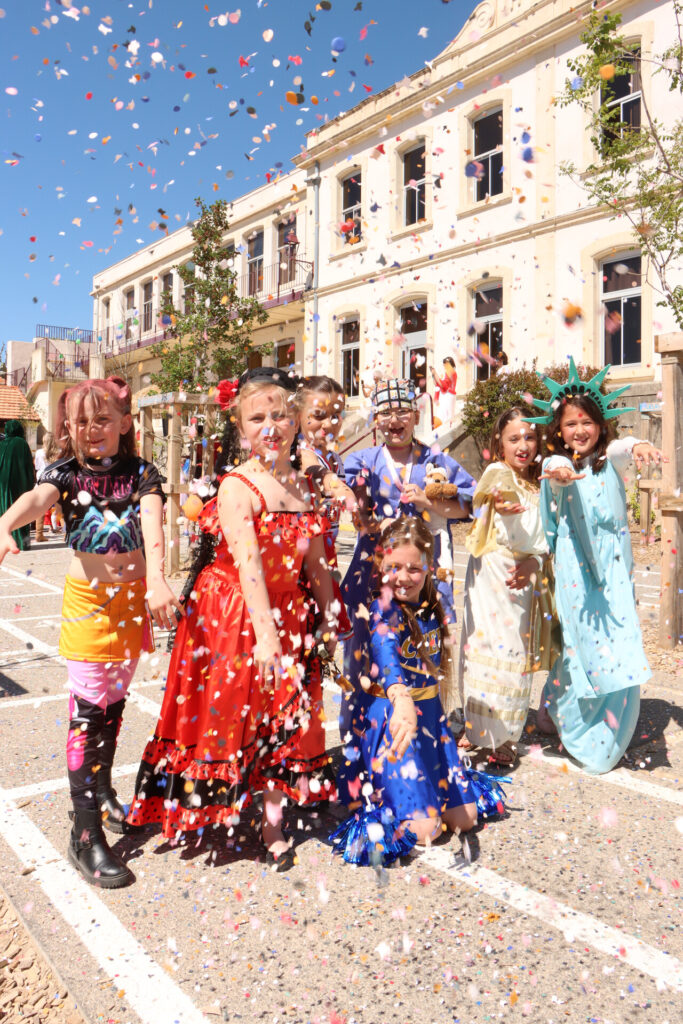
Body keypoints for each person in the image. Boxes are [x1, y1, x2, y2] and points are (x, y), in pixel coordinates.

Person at [127, 367, 339, 871]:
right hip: (234, 614)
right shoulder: (236, 486)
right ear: (240, 428)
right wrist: (266, 637)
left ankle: (272, 820)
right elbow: (249, 567)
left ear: (297, 420)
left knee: (284, 716)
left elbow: (316, 565)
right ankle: (216, 803)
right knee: (232, 712)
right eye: (257, 418)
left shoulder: (305, 486)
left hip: (290, 612)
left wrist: (330, 618)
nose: (271, 427)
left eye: (280, 415)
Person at [0, 377, 178, 888]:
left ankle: (100, 793)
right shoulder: (65, 472)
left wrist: (158, 580)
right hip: (88, 605)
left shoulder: (143, 473)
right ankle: (84, 833)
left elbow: (153, 525)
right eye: (80, 421)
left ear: (125, 423)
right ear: (68, 428)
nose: (91, 429)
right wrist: (4, 523)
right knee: (87, 713)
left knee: (113, 704)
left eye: (102, 419)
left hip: (132, 603)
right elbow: (36, 498)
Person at [528, 359, 663, 774]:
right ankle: (565, 714)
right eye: (571, 424)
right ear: (558, 429)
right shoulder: (557, 465)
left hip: (615, 571)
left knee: (619, 643)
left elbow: (622, 449)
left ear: (601, 426)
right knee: (579, 645)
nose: (580, 430)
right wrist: (558, 471)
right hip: (575, 572)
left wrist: (636, 445)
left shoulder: (610, 461)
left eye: (587, 422)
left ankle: (607, 734)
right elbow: (553, 471)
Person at [335, 517, 478, 852]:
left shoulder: (432, 605)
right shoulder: (382, 608)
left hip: (430, 720)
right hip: (394, 722)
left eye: (414, 568)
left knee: (466, 818)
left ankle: (424, 790)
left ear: (429, 566)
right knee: (427, 831)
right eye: (393, 567)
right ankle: (379, 787)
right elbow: (385, 653)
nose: (402, 577)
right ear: (380, 565)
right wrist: (400, 696)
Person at [341, 379, 476, 729]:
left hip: (423, 572)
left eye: (402, 411)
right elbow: (349, 502)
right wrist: (371, 519)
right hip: (376, 570)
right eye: (385, 412)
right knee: (365, 645)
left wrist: (428, 501)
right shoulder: (363, 460)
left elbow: (470, 506)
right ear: (375, 419)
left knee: (424, 646)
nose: (394, 420)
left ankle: (429, 727)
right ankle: (359, 729)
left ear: (416, 416)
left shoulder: (436, 460)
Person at [458, 408, 555, 766]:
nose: (523, 445)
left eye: (529, 437)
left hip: (523, 577)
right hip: (491, 572)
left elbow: (549, 539)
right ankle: (477, 728)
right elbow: (487, 497)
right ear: (500, 444)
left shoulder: (543, 484)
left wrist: (535, 564)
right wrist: (497, 502)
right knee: (482, 646)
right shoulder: (497, 472)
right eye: (514, 438)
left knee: (513, 649)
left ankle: (506, 736)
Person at [0, 421, 36, 550]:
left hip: (2, 484)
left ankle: (4, 541)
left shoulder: (1, 444)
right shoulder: (22, 443)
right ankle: (21, 542)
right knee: (20, 509)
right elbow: (28, 466)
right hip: (19, 483)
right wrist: (30, 482)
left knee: (4, 509)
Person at [430, 357, 458, 427]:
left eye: (445, 364)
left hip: (448, 396)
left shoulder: (451, 372)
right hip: (444, 396)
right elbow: (437, 384)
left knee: (447, 418)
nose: (444, 366)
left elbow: (443, 385)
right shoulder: (446, 373)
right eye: (444, 365)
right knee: (442, 417)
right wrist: (433, 375)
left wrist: (435, 374)